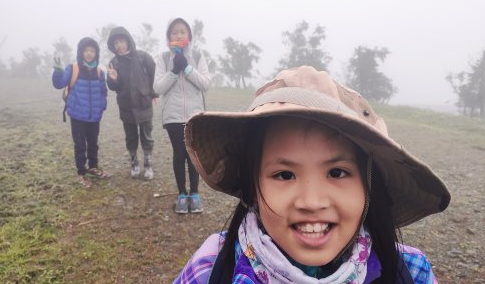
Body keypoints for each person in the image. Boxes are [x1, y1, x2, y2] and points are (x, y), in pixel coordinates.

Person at [174, 66, 451, 283]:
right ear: (252, 187)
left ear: (369, 185)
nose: (312, 201)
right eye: (284, 175)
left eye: (337, 172)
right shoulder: (209, 268)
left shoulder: (412, 272)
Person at [154, 17, 211, 214]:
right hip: (173, 115)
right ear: (169, 36)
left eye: (182, 31)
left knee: (193, 155)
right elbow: (158, 87)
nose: (178, 35)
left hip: (195, 115)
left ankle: (194, 194)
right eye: (174, 32)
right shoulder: (162, 58)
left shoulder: (197, 54)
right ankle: (181, 194)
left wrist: (186, 68)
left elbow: (206, 83)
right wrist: (173, 71)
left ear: (189, 35)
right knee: (179, 154)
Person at [52, 36, 109, 188]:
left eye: (92, 51)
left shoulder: (99, 72)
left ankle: (93, 166)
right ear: (81, 52)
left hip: (94, 116)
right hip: (77, 115)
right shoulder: (73, 68)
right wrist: (58, 72)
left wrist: (102, 107)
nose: (89, 53)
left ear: (96, 53)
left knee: (93, 143)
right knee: (80, 145)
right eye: (86, 50)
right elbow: (59, 84)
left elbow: (103, 92)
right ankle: (81, 173)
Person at [106, 26, 157, 180]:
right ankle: (134, 163)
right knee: (130, 137)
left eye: (121, 41)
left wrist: (154, 94)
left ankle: (148, 164)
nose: (118, 45)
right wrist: (113, 79)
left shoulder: (143, 57)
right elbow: (113, 86)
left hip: (144, 104)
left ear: (128, 41)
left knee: (146, 135)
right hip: (126, 106)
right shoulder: (113, 62)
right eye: (115, 43)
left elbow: (155, 76)